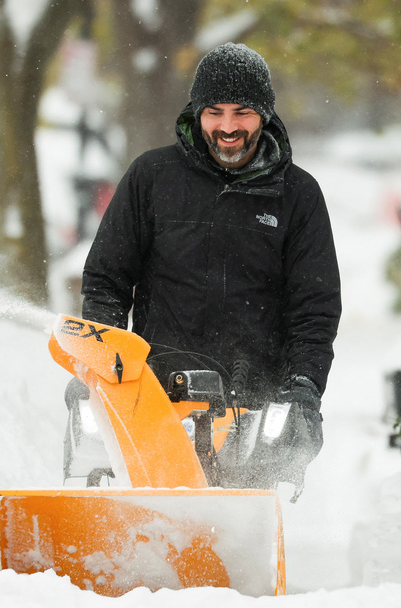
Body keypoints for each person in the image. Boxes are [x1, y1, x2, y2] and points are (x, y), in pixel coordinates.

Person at [76, 43, 341, 491]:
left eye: (242, 113)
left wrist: (302, 390)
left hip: (252, 409)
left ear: (265, 114)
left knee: (232, 535)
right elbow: (106, 281)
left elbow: (314, 310)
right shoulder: (151, 177)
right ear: (196, 113)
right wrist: (100, 365)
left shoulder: (299, 197)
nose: (227, 127)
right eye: (214, 112)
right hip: (154, 399)